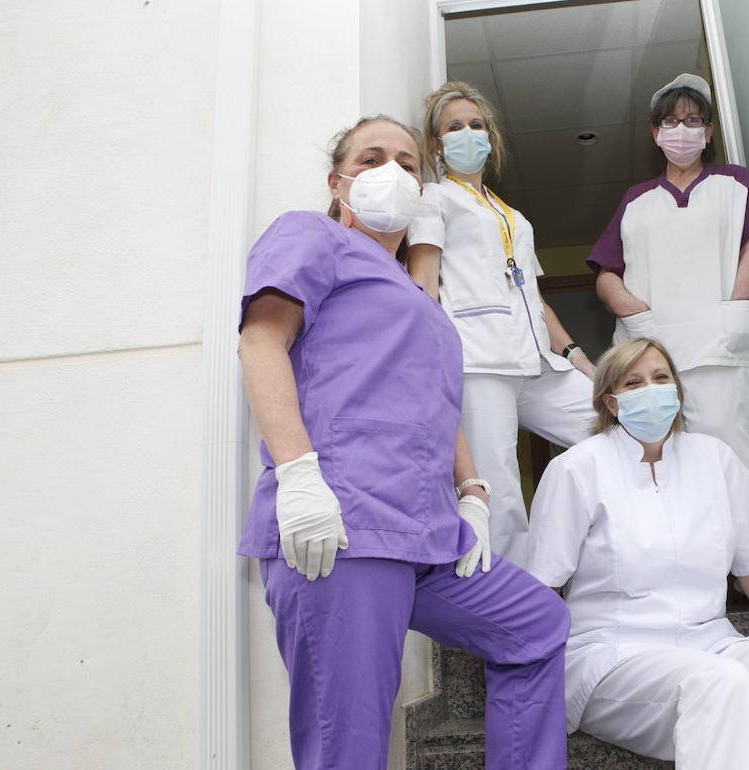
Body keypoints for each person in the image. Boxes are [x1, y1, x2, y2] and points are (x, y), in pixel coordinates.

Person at [236, 114, 569, 770]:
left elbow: (434, 400)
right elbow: (261, 341)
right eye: (371, 158)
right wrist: (299, 475)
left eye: (408, 162)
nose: (391, 171)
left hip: (428, 534)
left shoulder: (417, 295)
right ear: (337, 182)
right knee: (350, 747)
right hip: (343, 528)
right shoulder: (312, 236)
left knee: (535, 625)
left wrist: (472, 491)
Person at [526, 338, 749, 770]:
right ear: (610, 402)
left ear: (677, 391)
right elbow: (545, 588)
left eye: (661, 378)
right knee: (722, 681)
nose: (651, 390)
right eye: (633, 383)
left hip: (711, 644)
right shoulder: (576, 468)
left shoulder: (714, 458)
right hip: (611, 656)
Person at [406, 81, 596, 568]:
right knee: (500, 491)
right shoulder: (434, 199)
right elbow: (423, 283)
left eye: (476, 125)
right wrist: (428, 361)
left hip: (536, 362)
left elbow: (534, 297)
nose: (468, 133)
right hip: (480, 361)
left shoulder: (513, 216)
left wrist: (578, 358)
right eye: (454, 127)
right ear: (437, 145)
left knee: (610, 425)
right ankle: (512, 597)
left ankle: (587, 552)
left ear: (490, 139)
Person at [588, 72, 749, 498]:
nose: (682, 130)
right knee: (659, 465)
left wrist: (739, 307)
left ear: (709, 132)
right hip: (651, 351)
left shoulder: (735, 183)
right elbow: (606, 273)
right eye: (671, 122)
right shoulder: (636, 200)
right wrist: (633, 312)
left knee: (734, 455)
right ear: (655, 133)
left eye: (693, 121)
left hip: (718, 346)